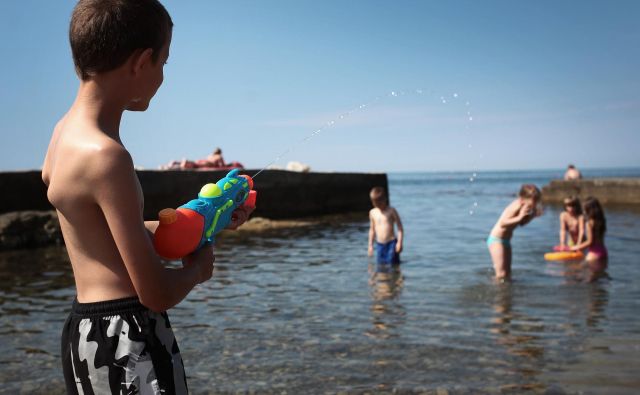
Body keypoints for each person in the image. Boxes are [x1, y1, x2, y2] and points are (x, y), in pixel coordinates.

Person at [41, 1, 252, 393]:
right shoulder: (108, 157)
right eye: (164, 63)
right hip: (127, 337)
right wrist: (198, 269)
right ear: (141, 62)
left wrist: (198, 222)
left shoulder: (62, 135)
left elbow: (108, 231)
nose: (162, 76)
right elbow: (155, 293)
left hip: (84, 333)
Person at [487, 184, 542, 280]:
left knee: (507, 273)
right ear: (523, 199)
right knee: (501, 274)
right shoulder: (516, 206)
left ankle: (507, 293)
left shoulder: (525, 207)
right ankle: (497, 292)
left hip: (506, 241)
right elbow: (503, 223)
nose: (535, 204)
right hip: (496, 240)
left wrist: (532, 216)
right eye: (534, 201)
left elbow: (521, 223)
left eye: (537, 201)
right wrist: (520, 217)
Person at [570, 197, 608, 281]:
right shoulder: (602, 221)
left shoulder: (589, 223)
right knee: (598, 277)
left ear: (589, 210)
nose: (583, 212)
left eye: (584, 210)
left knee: (577, 272)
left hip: (594, 254)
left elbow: (590, 242)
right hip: (604, 252)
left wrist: (576, 247)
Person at [368, 187, 404, 264]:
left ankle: (396, 275)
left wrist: (399, 242)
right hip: (379, 244)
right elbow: (372, 230)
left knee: (393, 265)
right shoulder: (372, 212)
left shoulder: (391, 210)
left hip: (391, 243)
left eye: (380, 204)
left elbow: (400, 227)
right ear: (373, 203)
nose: (379, 206)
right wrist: (370, 245)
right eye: (376, 204)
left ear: (385, 199)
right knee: (381, 266)